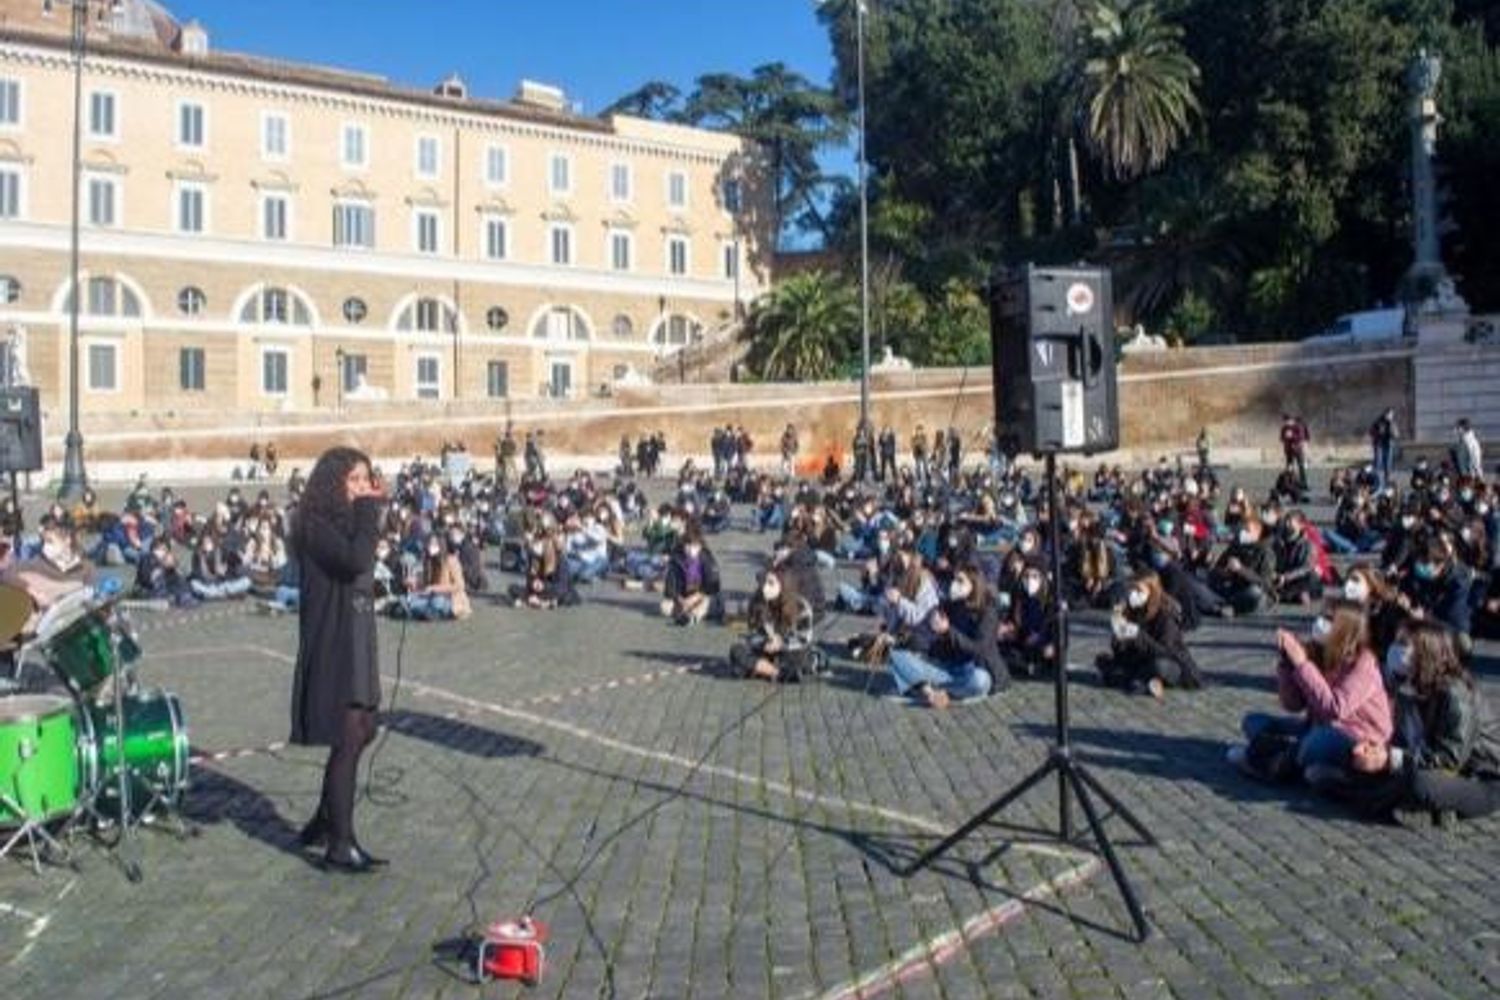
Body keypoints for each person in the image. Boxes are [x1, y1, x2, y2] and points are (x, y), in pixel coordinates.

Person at [289, 446, 389, 874]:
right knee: (348, 735)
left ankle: (326, 817)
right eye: (354, 481)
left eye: (367, 480)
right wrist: (370, 511)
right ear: (333, 484)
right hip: (333, 640)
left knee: (366, 727)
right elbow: (354, 560)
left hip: (358, 634)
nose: (364, 488)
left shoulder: (347, 523)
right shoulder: (314, 525)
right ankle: (339, 844)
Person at [1347, 620, 1500, 826]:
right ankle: (1425, 809)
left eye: (1403, 643)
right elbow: (1403, 744)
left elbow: (1450, 759)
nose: (1395, 648)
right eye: (1396, 641)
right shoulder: (1407, 687)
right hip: (1429, 767)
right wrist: (1377, 751)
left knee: (1420, 783)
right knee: (1358, 764)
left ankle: (1406, 804)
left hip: (1481, 778)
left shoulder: (1456, 695)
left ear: (1426, 652)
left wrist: (1390, 759)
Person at [1228, 602, 1391, 783]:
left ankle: (1272, 761)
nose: (1320, 623)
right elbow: (1293, 704)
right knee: (1253, 722)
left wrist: (1302, 664)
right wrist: (1287, 665)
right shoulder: (1319, 652)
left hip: (1357, 738)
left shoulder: (1363, 665)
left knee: (1314, 744)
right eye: (1321, 617)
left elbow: (1335, 709)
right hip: (1315, 726)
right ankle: (1288, 758)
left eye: (1329, 620)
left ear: (1345, 630)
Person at [887, 567, 1006, 708]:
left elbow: (979, 649)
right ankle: (930, 692)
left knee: (980, 681)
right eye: (954, 579)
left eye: (960, 581)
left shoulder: (987, 612)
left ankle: (931, 690)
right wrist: (903, 638)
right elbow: (925, 631)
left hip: (972, 668)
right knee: (897, 655)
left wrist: (948, 630)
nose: (955, 584)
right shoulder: (952, 605)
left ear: (974, 585)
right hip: (947, 667)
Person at [1095, 573, 1203, 699]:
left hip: (1170, 663)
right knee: (1103, 660)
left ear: (1151, 591)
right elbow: (1123, 653)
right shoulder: (1133, 610)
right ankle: (1144, 681)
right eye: (1131, 589)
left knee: (1159, 666)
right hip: (1142, 659)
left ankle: (1139, 680)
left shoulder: (1165, 616)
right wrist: (1119, 637)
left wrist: (1138, 635)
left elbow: (1165, 651)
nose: (1133, 594)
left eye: (1138, 590)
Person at [732, 569, 817, 683]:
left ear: (783, 584)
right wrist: (764, 643)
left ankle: (762, 670)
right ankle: (778, 673)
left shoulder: (800, 606)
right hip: (766, 650)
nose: (765, 588)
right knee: (737, 651)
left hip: (789, 651)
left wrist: (781, 644)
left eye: (771, 583)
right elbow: (750, 634)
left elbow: (804, 638)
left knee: (801, 659)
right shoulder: (756, 602)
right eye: (764, 583)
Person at [660, 526, 723, 625]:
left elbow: (713, 586)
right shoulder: (676, 561)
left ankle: (692, 617)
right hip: (683, 597)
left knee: (706, 603)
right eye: (687, 545)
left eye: (694, 546)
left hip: (702, 596)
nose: (690, 549)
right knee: (665, 607)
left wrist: (695, 597)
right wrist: (681, 600)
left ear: (700, 546)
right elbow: (670, 588)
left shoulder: (707, 559)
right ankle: (687, 612)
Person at [1369, 407, 1399, 491]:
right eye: (1389, 414)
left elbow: (1396, 435)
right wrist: (1377, 434)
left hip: (1388, 446)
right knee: (1378, 464)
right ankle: (1377, 482)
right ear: (1385, 414)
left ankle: (1387, 482)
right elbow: (1371, 431)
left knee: (1388, 465)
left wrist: (1392, 427)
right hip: (1379, 445)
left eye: (1392, 415)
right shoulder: (1378, 421)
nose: (1390, 416)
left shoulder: (1393, 423)